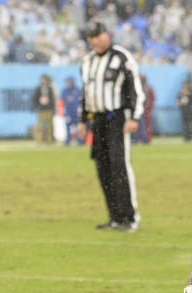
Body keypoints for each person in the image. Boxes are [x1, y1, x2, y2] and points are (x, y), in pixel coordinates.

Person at [77, 21, 145, 232]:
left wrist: (134, 116)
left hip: (116, 119)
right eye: (91, 37)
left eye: (98, 35)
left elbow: (135, 89)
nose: (94, 40)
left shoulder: (121, 57)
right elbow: (87, 93)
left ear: (107, 35)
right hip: (96, 120)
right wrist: (82, 120)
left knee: (119, 166)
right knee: (103, 168)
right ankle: (114, 216)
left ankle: (130, 216)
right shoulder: (87, 61)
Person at [32, 74, 57, 144]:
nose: (44, 81)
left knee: (50, 125)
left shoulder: (50, 88)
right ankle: (39, 140)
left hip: (49, 109)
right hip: (41, 109)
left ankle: (50, 140)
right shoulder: (39, 88)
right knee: (40, 126)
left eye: (45, 79)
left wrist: (53, 108)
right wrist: (36, 106)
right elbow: (35, 98)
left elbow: (52, 99)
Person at [61, 77, 83, 146]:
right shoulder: (64, 91)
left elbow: (81, 100)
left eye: (69, 82)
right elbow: (61, 101)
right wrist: (62, 110)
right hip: (68, 112)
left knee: (78, 126)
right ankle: (68, 140)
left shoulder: (77, 90)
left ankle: (79, 140)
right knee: (68, 127)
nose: (68, 83)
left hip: (76, 112)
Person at [137, 74, 155, 144]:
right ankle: (138, 139)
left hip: (146, 110)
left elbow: (153, 98)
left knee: (147, 125)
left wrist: (150, 106)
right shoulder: (138, 87)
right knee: (139, 124)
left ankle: (147, 139)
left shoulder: (148, 88)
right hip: (139, 109)